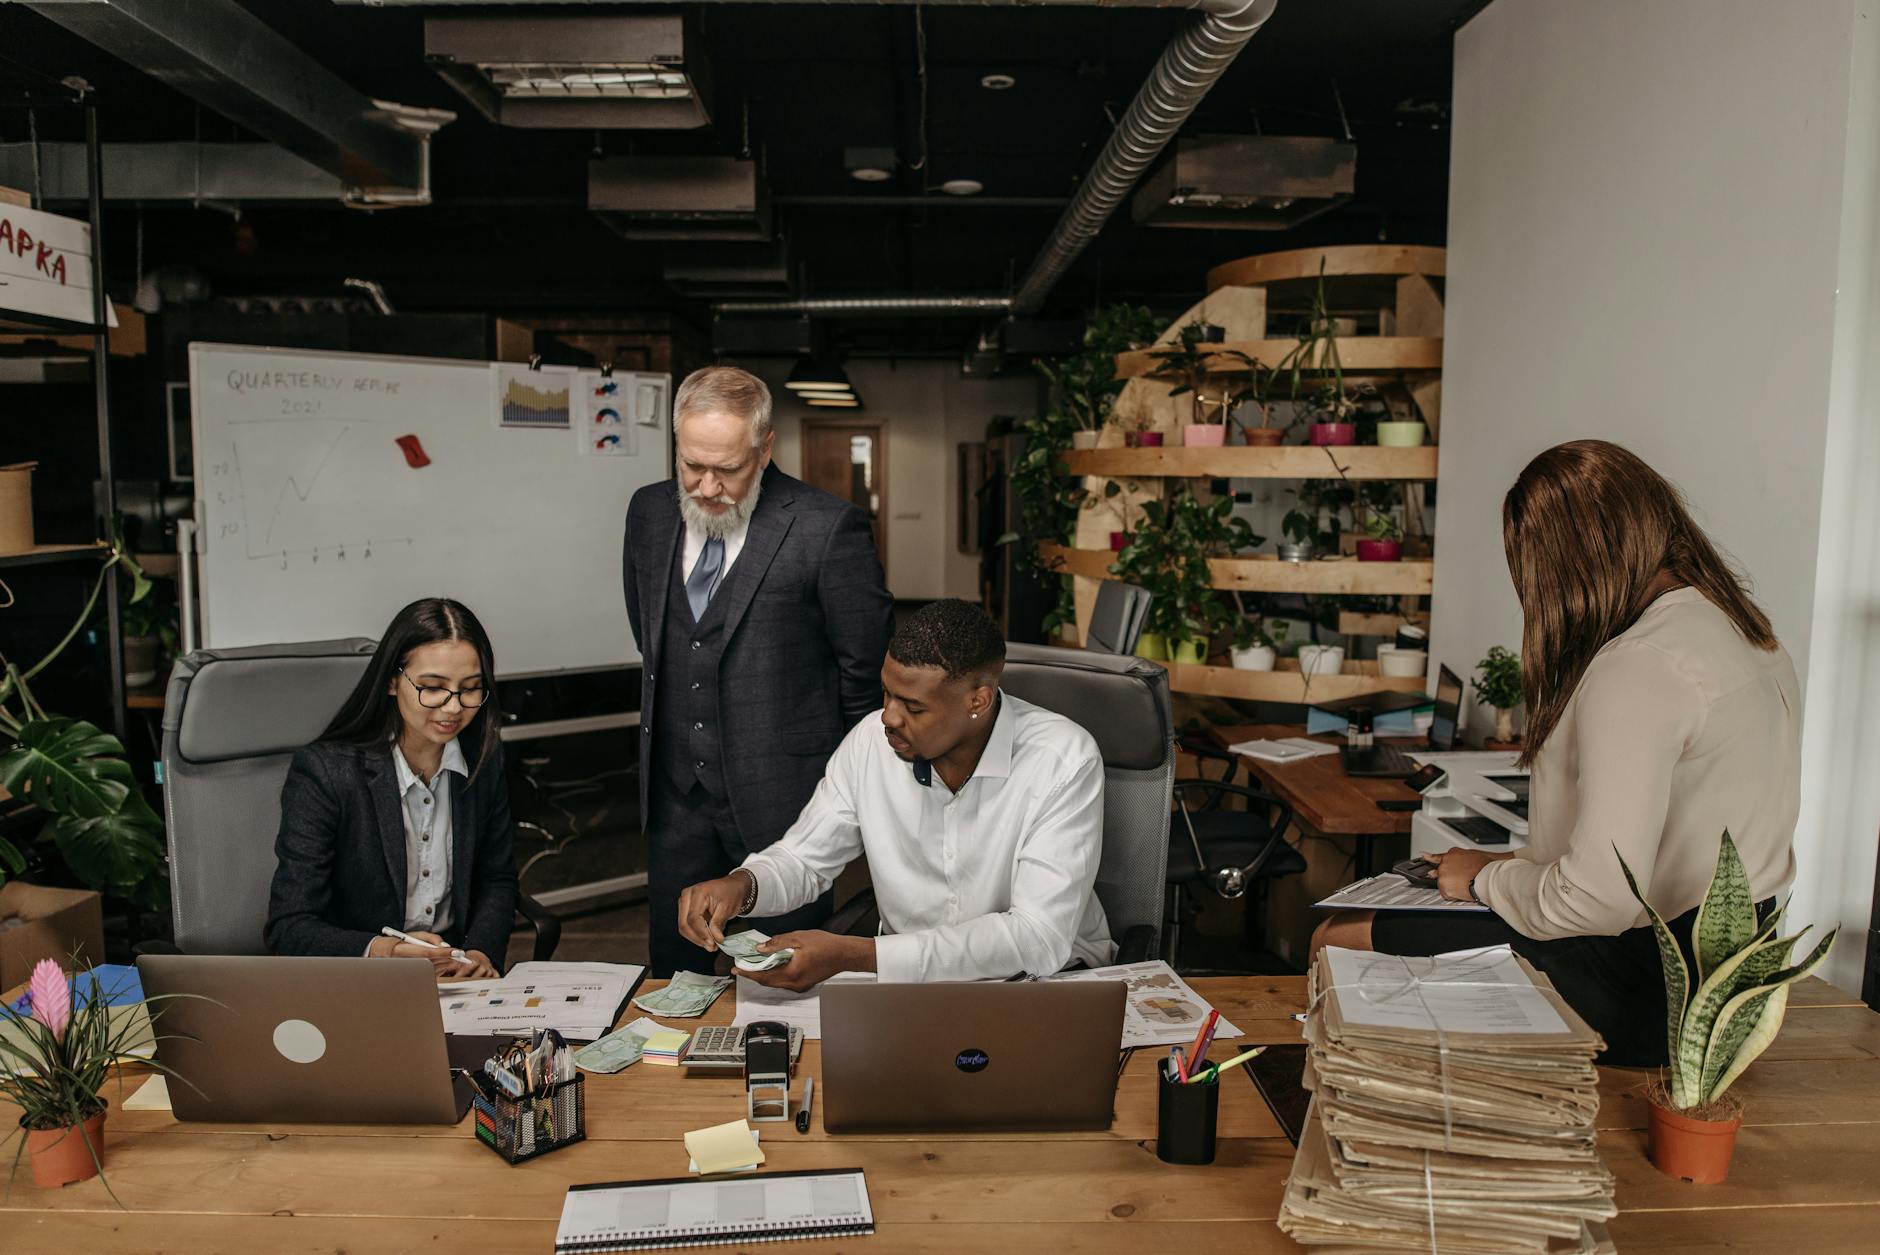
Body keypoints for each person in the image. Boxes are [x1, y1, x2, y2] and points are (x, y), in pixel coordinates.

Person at [1311, 440, 1799, 1064]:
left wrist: (1485, 878)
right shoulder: (1743, 629)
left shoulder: (1638, 667)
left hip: (1649, 986)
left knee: (1338, 935)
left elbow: (1599, 901)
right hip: (1731, 981)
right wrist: (1492, 866)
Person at [674, 598, 1116, 990]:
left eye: (914, 706)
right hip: (906, 987)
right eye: (886, 693)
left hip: (1045, 985)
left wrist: (861, 956)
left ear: (977, 701)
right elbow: (805, 859)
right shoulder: (871, 742)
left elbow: (1038, 938)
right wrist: (743, 885)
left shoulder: (1063, 758)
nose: (889, 716)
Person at [623, 365, 893, 977]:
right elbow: (655, 637)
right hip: (675, 802)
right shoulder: (647, 514)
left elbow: (866, 676)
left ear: (765, 449)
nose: (707, 485)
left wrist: (855, 793)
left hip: (786, 805)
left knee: (784, 979)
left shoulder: (826, 528)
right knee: (673, 975)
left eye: (728, 469)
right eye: (692, 465)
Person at [265, 598, 517, 977]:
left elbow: (496, 878)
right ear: (391, 680)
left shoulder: (482, 757)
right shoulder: (327, 772)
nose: (453, 708)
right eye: (433, 688)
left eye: (470, 689)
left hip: (456, 978)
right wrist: (385, 952)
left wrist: (481, 951)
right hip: (364, 982)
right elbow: (290, 926)